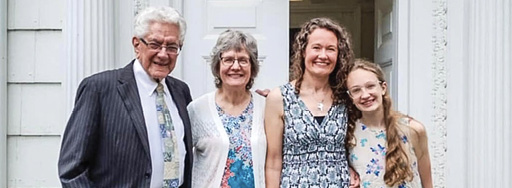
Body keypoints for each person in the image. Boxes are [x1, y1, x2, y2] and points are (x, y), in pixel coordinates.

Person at [58, 6, 193, 188]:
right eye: (155, 44)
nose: (163, 54)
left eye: (171, 47)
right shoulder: (99, 89)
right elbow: (72, 170)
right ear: (137, 45)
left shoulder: (181, 91)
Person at [265, 17, 354, 187]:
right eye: (316, 48)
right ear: (303, 51)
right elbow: (273, 162)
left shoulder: (346, 97)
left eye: (331, 49)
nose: (323, 55)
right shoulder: (279, 97)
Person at [187, 29, 267, 188]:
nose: (236, 66)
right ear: (217, 65)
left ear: (252, 67)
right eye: (228, 59)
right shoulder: (197, 109)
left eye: (243, 60)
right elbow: (181, 161)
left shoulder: (266, 107)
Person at [343, 59, 433, 188]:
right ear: (350, 96)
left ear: (383, 88)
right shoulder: (349, 134)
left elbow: (427, 183)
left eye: (370, 86)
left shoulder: (412, 130)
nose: (365, 95)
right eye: (356, 90)